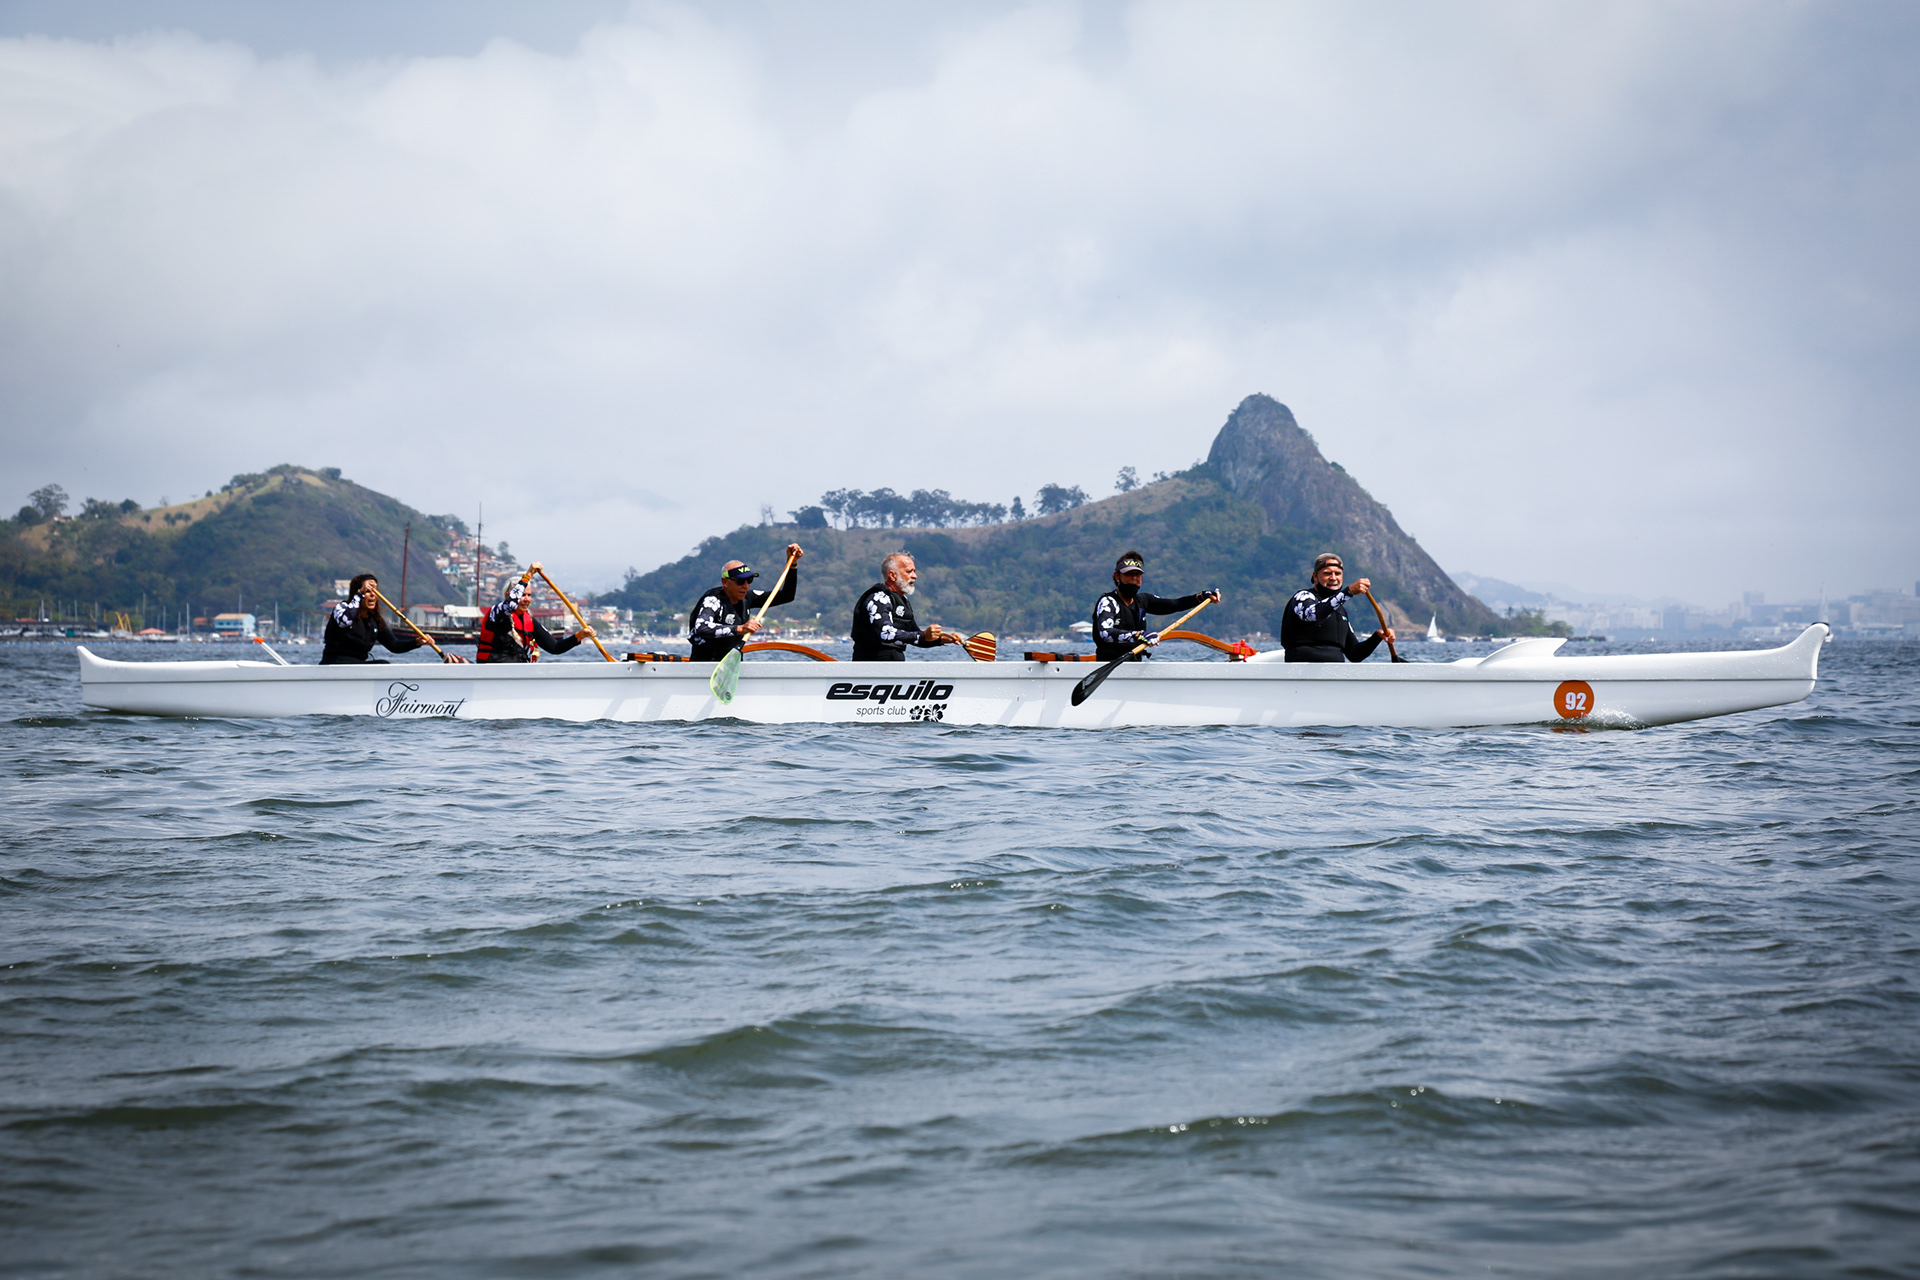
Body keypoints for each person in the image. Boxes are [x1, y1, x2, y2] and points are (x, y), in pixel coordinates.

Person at [1090, 551, 1221, 662]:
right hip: (1108, 664)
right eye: (1129, 574)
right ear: (1117, 576)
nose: (1134, 578)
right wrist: (1139, 635)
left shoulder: (1143, 601)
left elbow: (1175, 604)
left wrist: (1201, 596)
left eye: (1138, 574)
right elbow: (1105, 633)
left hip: (1134, 666)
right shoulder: (1108, 601)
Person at [687, 544, 804, 662]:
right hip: (703, 666)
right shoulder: (713, 600)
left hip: (731, 667)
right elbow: (701, 627)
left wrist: (792, 564)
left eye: (749, 580)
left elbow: (786, 596)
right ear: (725, 582)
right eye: (740, 581)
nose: (746, 586)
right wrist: (739, 629)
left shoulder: (748, 597)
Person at [1280, 552, 1395, 663]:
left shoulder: (1340, 610)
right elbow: (1314, 614)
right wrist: (1348, 592)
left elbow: (1355, 654)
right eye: (1327, 573)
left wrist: (1377, 636)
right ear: (1315, 576)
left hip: (1333, 676)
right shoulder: (1303, 596)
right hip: (1300, 674)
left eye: (1338, 573)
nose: (1333, 578)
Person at [851, 552, 960, 661]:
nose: (915, 576)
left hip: (895, 666)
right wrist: (922, 636)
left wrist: (941, 639)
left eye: (914, 571)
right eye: (909, 572)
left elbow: (915, 637)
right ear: (892, 575)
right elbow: (886, 633)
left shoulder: (903, 601)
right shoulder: (879, 599)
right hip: (870, 667)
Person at [476, 563, 596, 662]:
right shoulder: (497, 612)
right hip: (492, 671)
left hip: (516, 674)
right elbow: (511, 603)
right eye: (523, 595)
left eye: (529, 595)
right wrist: (528, 575)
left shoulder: (529, 621)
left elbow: (555, 647)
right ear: (508, 595)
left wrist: (579, 636)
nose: (527, 599)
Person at [321, 573, 447, 665]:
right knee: (381, 664)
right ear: (358, 592)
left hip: (357, 666)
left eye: (375, 591)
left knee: (383, 664)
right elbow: (345, 621)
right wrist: (359, 595)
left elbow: (395, 646)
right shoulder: (341, 608)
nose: (373, 595)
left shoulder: (375, 621)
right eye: (368, 591)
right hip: (335, 664)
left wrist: (417, 642)